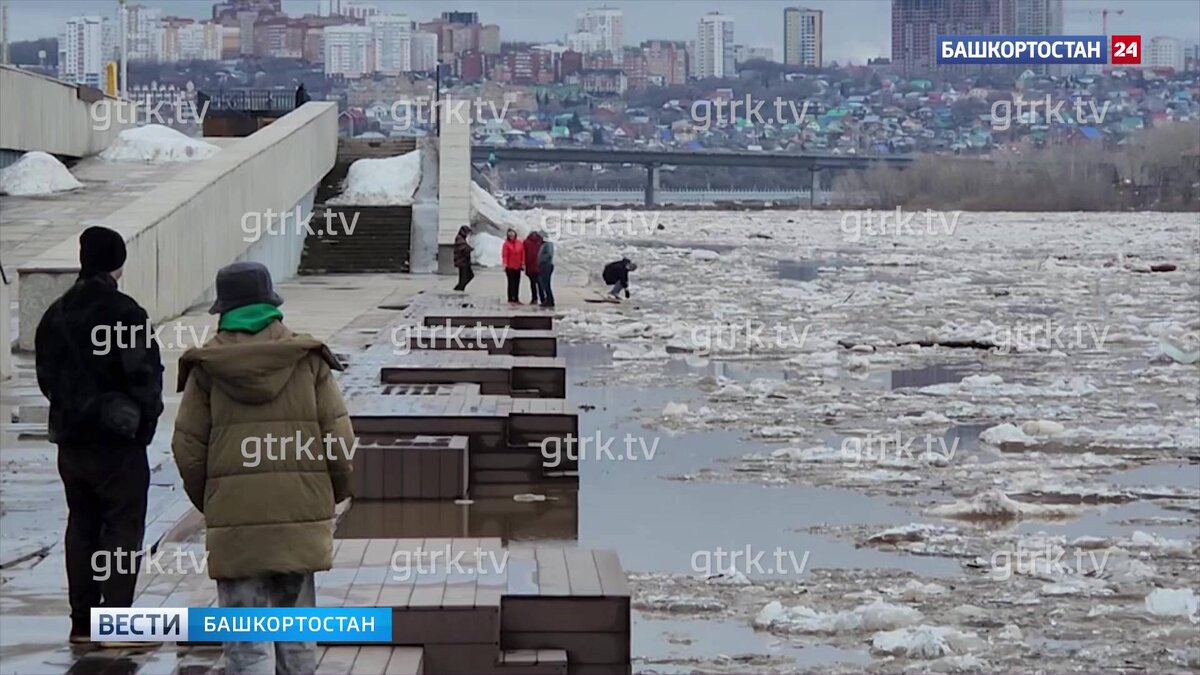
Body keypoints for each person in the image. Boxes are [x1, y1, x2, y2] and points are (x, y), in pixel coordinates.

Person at [172, 261, 354, 675]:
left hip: (237, 524)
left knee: (246, 644)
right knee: (296, 638)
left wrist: (215, 501)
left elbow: (187, 448)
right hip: (299, 518)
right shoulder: (308, 361)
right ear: (272, 304)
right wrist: (330, 495)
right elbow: (340, 443)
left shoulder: (207, 369)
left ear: (224, 310)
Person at [34, 225, 164, 645]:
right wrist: (144, 423)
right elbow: (144, 375)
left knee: (82, 526)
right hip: (118, 443)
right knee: (123, 529)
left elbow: (45, 377)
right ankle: (116, 622)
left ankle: (82, 622)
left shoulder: (55, 313)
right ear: (118, 264)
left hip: (71, 442)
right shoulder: (126, 313)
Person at [501, 228, 524, 304]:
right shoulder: (506, 244)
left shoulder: (519, 243)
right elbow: (505, 255)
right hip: (509, 266)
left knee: (517, 282)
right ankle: (510, 298)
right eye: (509, 233)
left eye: (512, 233)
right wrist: (504, 264)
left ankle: (516, 298)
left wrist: (523, 263)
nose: (511, 235)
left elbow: (522, 254)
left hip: (518, 266)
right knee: (511, 282)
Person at [452, 225, 474, 292]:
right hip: (462, 262)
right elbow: (463, 248)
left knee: (469, 276)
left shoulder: (462, 238)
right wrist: (469, 249)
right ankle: (458, 289)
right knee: (464, 279)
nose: (467, 235)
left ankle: (460, 289)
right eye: (467, 233)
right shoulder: (459, 238)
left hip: (465, 262)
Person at [537, 231, 556, 308]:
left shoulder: (548, 244)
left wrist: (541, 260)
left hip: (546, 266)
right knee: (544, 284)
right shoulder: (544, 244)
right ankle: (548, 299)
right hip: (544, 266)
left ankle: (550, 300)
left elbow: (549, 255)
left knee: (546, 284)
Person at [523, 231, 543, 304]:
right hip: (530, 266)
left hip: (539, 266)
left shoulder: (541, 242)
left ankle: (542, 298)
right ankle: (534, 298)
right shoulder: (526, 242)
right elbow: (524, 253)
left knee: (540, 283)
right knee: (533, 283)